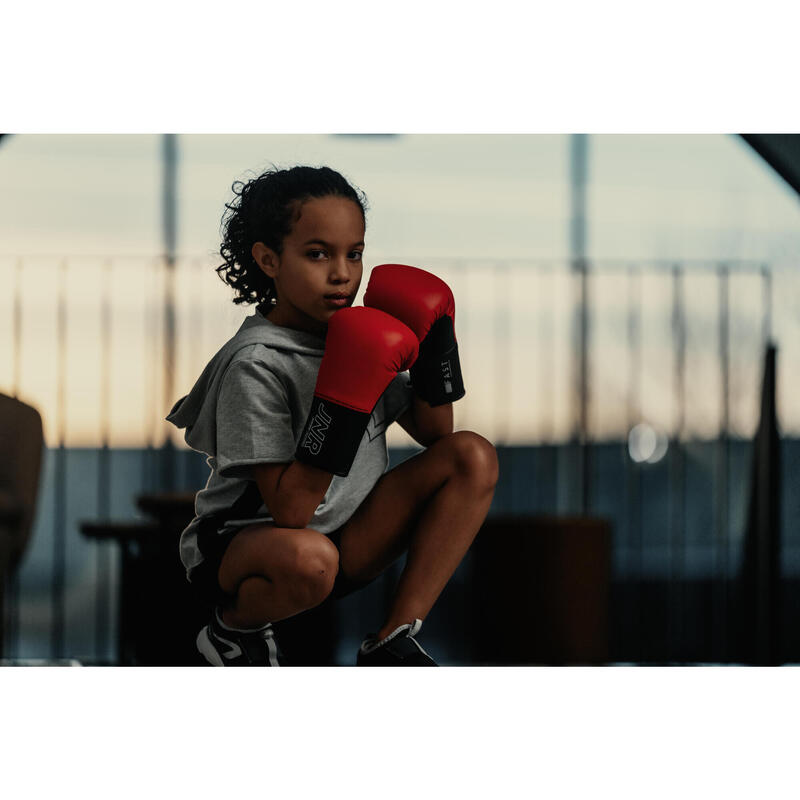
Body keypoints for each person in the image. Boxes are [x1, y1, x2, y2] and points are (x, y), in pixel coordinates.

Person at [166, 164, 498, 666]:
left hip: (344, 538)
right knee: (311, 558)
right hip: (249, 548)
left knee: (472, 456)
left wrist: (437, 347)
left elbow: (437, 433)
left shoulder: (358, 340)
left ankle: (394, 640)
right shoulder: (255, 362)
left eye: (354, 253)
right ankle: (233, 631)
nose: (342, 273)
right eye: (317, 254)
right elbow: (291, 513)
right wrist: (344, 398)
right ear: (268, 260)